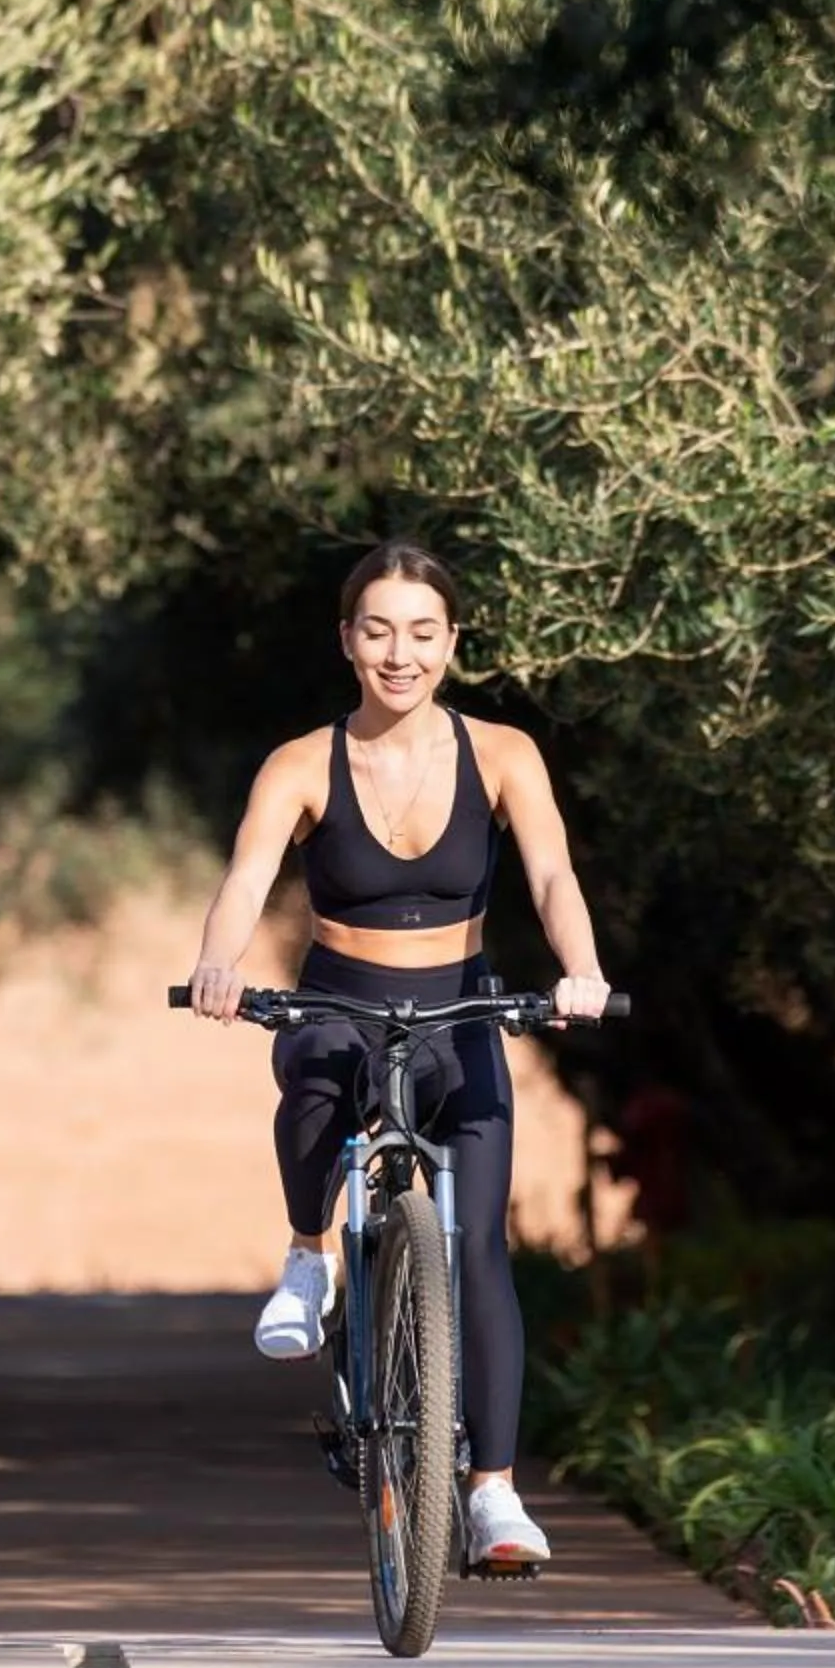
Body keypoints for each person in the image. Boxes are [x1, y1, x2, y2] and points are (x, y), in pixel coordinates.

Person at [186, 537, 612, 1572]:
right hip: (344, 995)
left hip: (461, 1007)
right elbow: (248, 875)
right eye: (377, 630)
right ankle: (306, 1254)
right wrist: (216, 963)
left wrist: (581, 971)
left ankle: (493, 1497)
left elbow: (551, 875)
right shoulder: (302, 762)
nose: (400, 652)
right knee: (312, 1082)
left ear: (451, 642)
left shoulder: (503, 753)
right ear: (346, 640)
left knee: (478, 1250)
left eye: (421, 632)